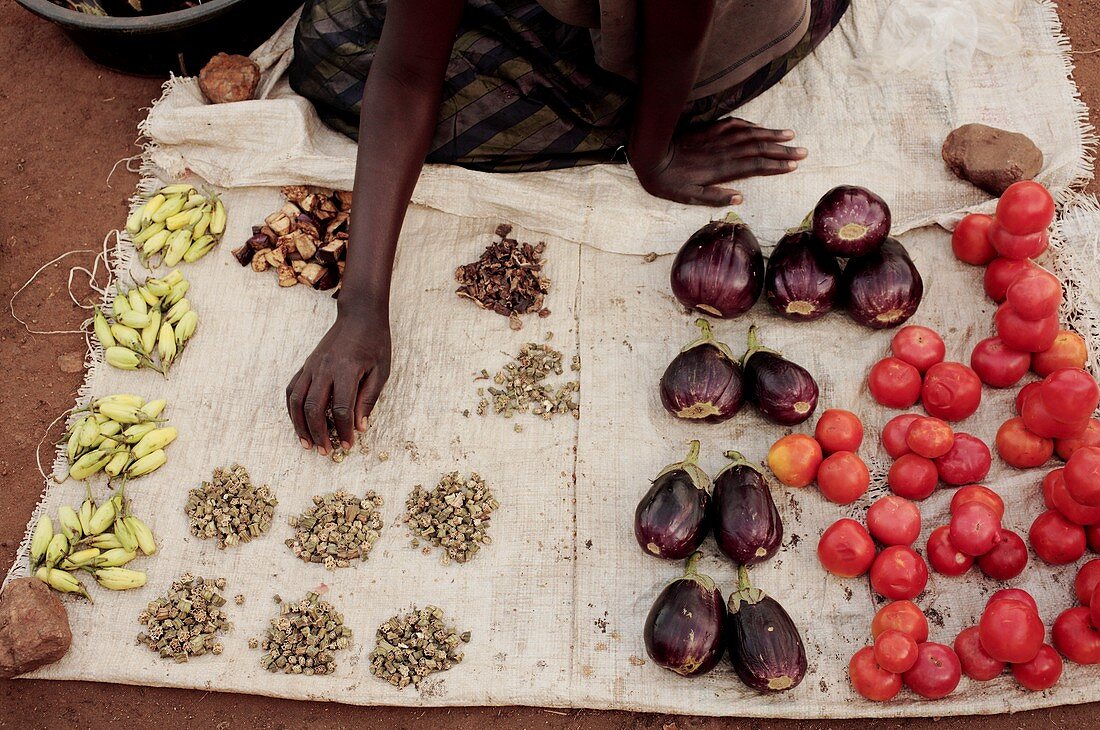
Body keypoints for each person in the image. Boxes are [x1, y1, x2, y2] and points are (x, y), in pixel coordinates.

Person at [284, 0, 850, 454]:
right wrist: (360, 307)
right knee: (330, 45)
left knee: (440, 101)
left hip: (707, 25)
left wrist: (654, 151)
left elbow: (679, 28)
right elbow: (407, 71)